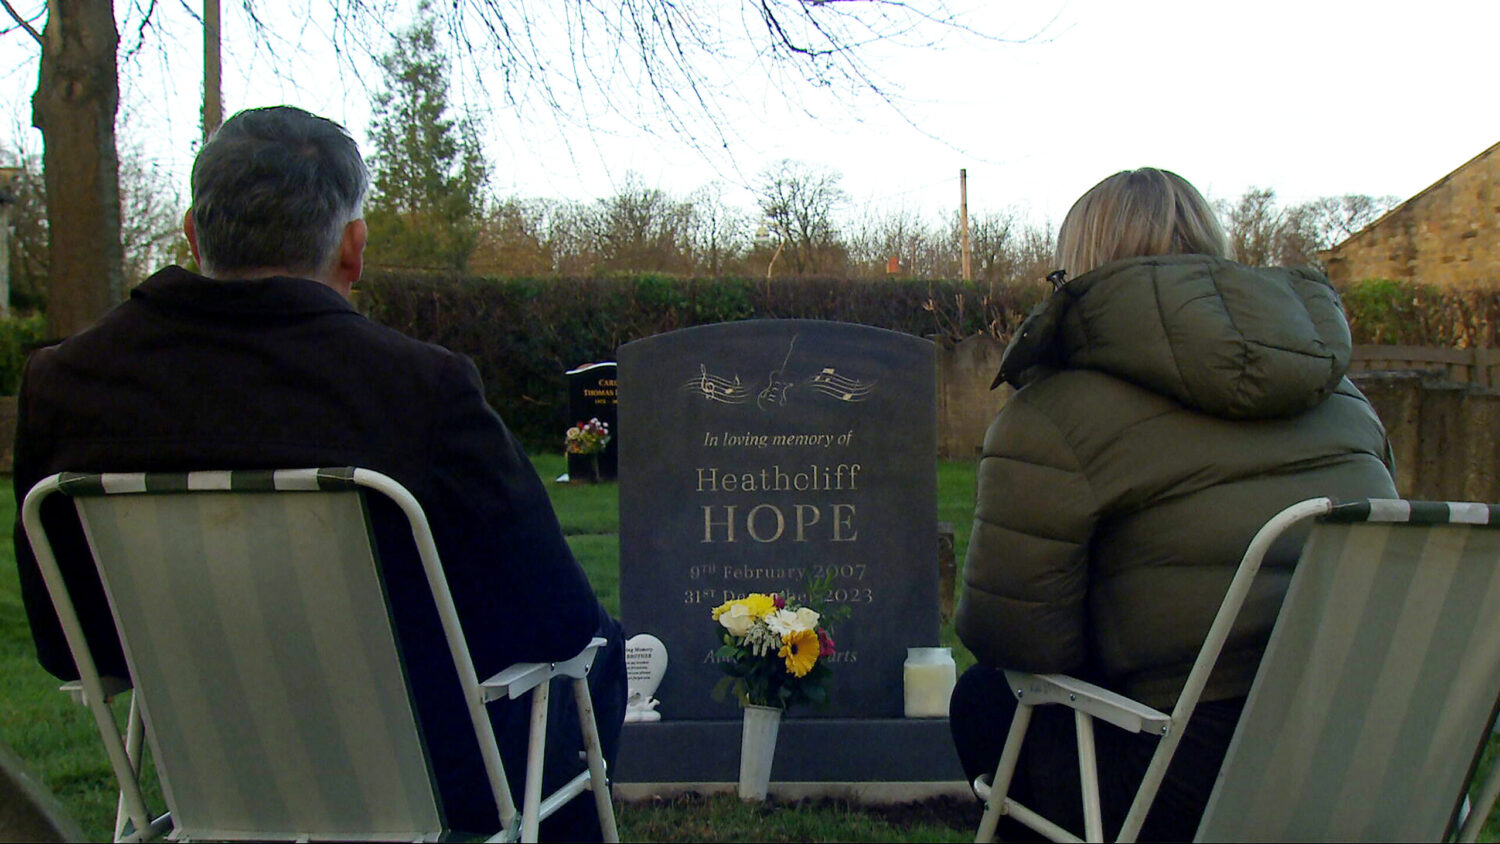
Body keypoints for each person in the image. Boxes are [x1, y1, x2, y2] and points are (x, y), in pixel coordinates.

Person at [11, 105, 625, 841]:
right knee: (598, 653)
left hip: (218, 784)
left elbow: (66, 643)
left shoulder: (65, 384)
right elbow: (555, 620)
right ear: (353, 247)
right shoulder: (418, 389)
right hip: (430, 791)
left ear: (193, 232)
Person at [949, 167, 1398, 841]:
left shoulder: (1052, 414)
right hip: (1366, 759)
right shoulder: (1344, 401)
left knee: (983, 698)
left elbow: (1012, 637)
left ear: (1077, 263)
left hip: (1189, 779)